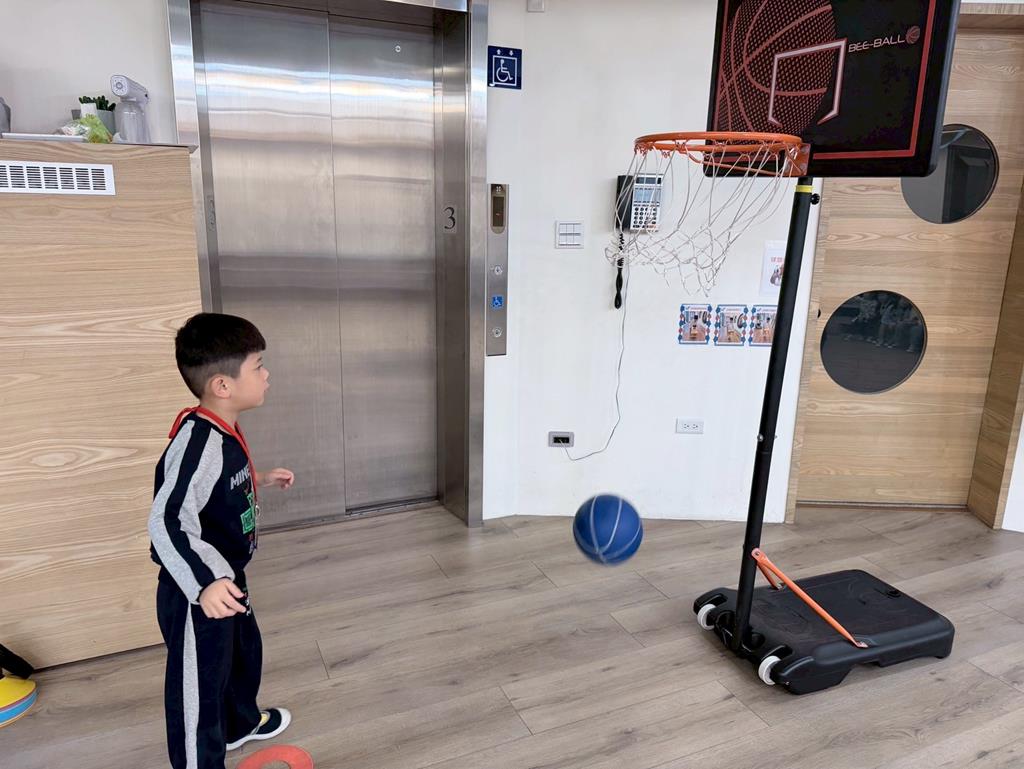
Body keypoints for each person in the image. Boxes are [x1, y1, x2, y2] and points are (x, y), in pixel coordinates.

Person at [148, 313, 295, 769]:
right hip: (199, 592)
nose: (266, 375)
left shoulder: (223, 427)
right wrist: (204, 584)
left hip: (227, 578)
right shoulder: (197, 443)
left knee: (242, 655)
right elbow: (167, 520)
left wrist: (258, 478)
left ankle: (238, 725)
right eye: (258, 366)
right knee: (199, 687)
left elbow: (216, 486)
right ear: (222, 385)